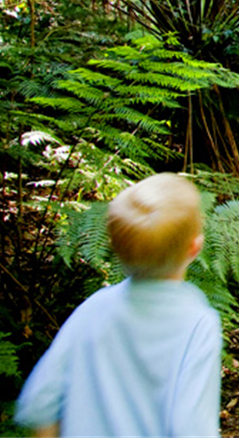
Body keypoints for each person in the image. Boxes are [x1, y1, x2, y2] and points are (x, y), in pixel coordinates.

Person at [16, 174, 221, 438]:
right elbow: (193, 428)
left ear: (113, 246)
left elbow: (38, 404)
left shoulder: (93, 309)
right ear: (195, 247)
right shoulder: (198, 323)